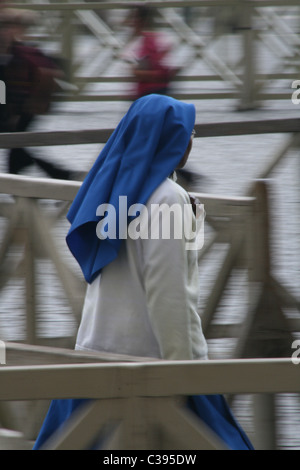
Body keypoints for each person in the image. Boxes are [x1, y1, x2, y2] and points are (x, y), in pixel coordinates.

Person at [33, 94, 254, 450]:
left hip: (95, 355)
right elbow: (169, 295)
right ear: (168, 138)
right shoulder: (168, 198)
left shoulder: (116, 188)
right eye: (189, 132)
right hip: (153, 365)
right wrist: (183, 377)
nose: (192, 140)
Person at [0, 9, 76, 180]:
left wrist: (30, 105)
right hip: (23, 107)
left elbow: (44, 74)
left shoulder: (20, 52)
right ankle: (60, 176)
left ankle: (62, 177)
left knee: (18, 149)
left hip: (25, 108)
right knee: (19, 148)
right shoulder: (17, 51)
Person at [122, 5, 178, 100]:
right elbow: (170, 70)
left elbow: (137, 72)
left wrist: (143, 73)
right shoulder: (161, 39)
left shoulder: (141, 43)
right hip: (159, 92)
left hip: (148, 93)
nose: (130, 24)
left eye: (133, 19)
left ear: (139, 21)